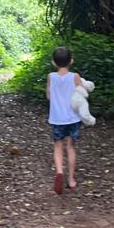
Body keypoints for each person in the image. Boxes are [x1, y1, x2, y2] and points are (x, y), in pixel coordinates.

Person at [46, 45, 82, 195]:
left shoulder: (51, 77)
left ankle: (59, 171)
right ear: (71, 61)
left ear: (54, 62)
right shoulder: (75, 77)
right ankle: (71, 179)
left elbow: (48, 96)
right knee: (71, 147)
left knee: (58, 147)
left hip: (57, 118)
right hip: (72, 118)